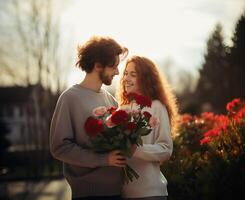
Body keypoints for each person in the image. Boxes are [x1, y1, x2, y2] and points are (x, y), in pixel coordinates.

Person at [50, 36, 128, 200]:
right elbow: (60, 147)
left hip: (117, 192)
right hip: (89, 194)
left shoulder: (110, 99)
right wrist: (103, 159)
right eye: (113, 66)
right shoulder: (70, 98)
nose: (117, 72)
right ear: (98, 65)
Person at [117, 56, 178, 200]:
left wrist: (136, 150)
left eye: (133, 74)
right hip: (123, 193)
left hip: (150, 193)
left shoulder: (156, 106)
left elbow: (166, 149)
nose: (126, 78)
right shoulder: (121, 110)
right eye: (125, 73)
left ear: (145, 78)